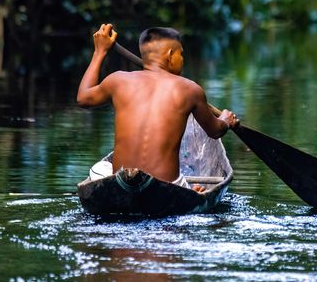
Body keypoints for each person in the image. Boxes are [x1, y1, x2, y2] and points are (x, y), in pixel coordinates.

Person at [76, 24, 239, 192]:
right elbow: (215, 131)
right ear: (170, 55)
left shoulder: (118, 80)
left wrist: (99, 52)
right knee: (185, 188)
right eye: (181, 54)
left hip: (121, 184)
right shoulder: (190, 90)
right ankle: (190, 191)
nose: (182, 59)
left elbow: (83, 98)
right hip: (168, 188)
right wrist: (226, 120)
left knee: (101, 168)